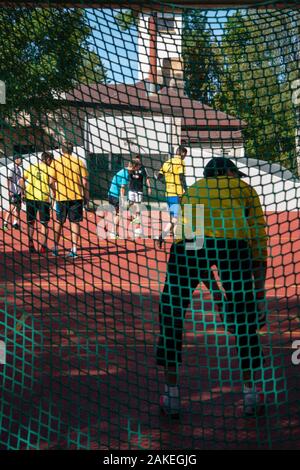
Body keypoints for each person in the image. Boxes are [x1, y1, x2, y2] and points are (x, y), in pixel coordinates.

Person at [156, 156, 268, 418]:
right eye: (234, 174)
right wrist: (259, 294)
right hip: (234, 248)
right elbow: (259, 242)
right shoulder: (245, 190)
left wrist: (215, 291)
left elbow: (195, 245)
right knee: (244, 320)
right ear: (228, 172)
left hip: (189, 249)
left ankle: (171, 395)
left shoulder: (193, 190)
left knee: (171, 313)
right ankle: (251, 395)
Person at [49, 141, 89, 259]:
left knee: (59, 221)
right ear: (72, 150)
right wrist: (86, 196)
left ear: (62, 150)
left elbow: (51, 181)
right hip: (76, 197)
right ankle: (74, 249)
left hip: (61, 197)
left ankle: (55, 248)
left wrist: (55, 192)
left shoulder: (56, 162)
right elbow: (85, 182)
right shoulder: (79, 162)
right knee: (74, 222)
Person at [20, 152, 54, 253]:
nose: (51, 162)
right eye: (51, 160)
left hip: (31, 197)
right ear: (48, 159)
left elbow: (21, 180)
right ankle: (43, 246)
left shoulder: (32, 166)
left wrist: (23, 193)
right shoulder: (49, 169)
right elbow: (51, 183)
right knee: (44, 223)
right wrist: (55, 194)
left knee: (31, 222)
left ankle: (30, 244)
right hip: (43, 199)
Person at [155, 145, 187, 247]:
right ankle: (162, 235)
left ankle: (176, 240)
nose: (185, 157)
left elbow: (159, 177)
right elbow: (182, 178)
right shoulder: (180, 162)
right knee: (176, 218)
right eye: (185, 154)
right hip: (178, 194)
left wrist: (169, 182)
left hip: (168, 193)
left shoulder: (167, 162)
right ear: (182, 153)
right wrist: (186, 190)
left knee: (175, 217)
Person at [128, 156, 151, 236]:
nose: (137, 160)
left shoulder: (143, 169)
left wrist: (149, 188)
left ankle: (137, 219)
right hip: (131, 189)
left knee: (138, 204)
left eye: (138, 159)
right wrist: (132, 167)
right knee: (130, 204)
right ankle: (135, 217)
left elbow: (147, 178)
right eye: (136, 159)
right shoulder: (131, 168)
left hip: (139, 190)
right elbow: (128, 171)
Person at [106, 163, 130, 239]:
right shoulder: (125, 173)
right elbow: (122, 188)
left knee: (116, 214)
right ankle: (113, 232)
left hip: (111, 194)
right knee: (119, 214)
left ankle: (114, 231)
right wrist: (123, 199)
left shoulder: (123, 171)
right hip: (115, 196)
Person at [3, 155, 23, 231]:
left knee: (18, 207)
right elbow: (9, 179)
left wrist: (21, 191)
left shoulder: (19, 169)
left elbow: (19, 181)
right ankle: (5, 223)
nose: (21, 160)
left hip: (18, 191)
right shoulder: (11, 167)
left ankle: (15, 223)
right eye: (20, 159)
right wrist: (9, 190)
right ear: (16, 160)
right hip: (13, 191)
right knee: (12, 207)